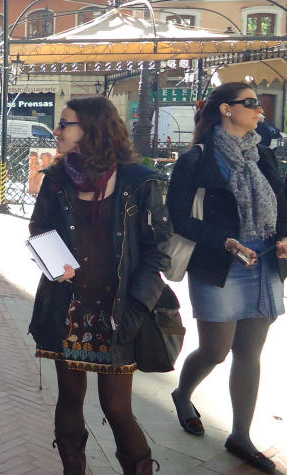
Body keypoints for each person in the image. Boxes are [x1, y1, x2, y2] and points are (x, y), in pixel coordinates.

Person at [29, 96, 172, 474]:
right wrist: (56, 263)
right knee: (71, 396)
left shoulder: (139, 182)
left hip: (120, 309)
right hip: (70, 305)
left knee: (117, 407)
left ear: (90, 130)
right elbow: (39, 228)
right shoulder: (56, 179)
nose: (57, 131)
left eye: (65, 124)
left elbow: (158, 252)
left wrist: (137, 309)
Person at [168, 82, 285, 473]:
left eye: (258, 105)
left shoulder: (262, 155)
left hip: (264, 260)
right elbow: (180, 219)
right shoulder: (196, 160)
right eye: (250, 103)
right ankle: (183, 394)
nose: (259, 111)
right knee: (216, 350)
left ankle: (240, 436)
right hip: (219, 264)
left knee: (250, 352)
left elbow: (283, 202)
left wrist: (283, 236)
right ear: (225, 109)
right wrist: (226, 241)